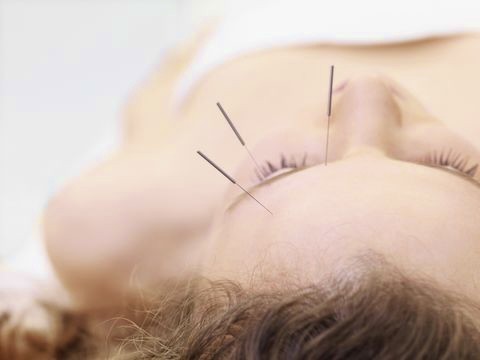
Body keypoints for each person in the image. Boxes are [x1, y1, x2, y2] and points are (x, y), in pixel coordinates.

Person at [3, 1, 480, 358]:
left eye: (286, 164)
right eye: (448, 163)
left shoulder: (109, 223)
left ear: (183, 315)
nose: (366, 88)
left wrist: (31, 287)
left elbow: (167, 76)